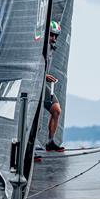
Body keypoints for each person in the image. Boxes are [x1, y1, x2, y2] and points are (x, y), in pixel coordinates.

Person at [44, 21, 64, 152]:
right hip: (34, 83)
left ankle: (50, 142)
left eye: (56, 36)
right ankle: (28, 148)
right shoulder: (39, 46)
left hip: (42, 82)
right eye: (51, 35)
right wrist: (45, 76)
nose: (54, 38)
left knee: (56, 110)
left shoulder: (51, 47)